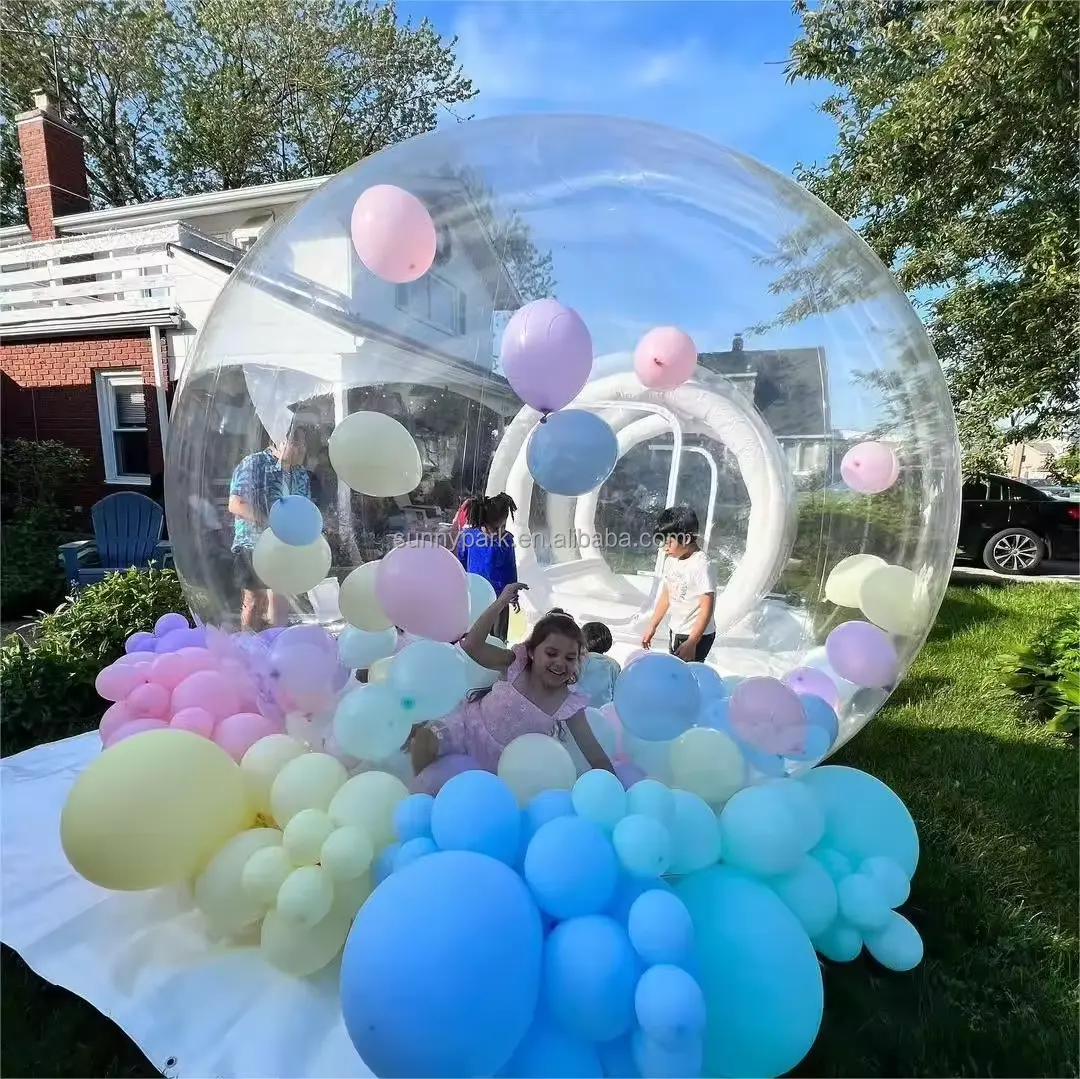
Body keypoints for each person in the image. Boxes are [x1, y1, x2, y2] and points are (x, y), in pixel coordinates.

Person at [409, 585, 615, 776]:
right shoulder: (516, 664)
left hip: (503, 763)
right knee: (424, 741)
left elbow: (594, 752)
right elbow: (472, 645)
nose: (560, 663)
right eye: (551, 654)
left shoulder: (568, 702)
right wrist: (501, 602)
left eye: (570, 658)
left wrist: (615, 785)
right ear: (533, 652)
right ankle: (421, 800)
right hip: (467, 727)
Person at [228, 426, 312, 631]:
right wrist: (270, 521)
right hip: (253, 544)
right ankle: (248, 644)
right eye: (297, 443)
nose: (302, 450)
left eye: (304, 444)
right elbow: (237, 504)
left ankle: (273, 644)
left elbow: (305, 508)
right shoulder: (254, 464)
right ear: (279, 442)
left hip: (285, 545)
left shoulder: (300, 474)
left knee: (281, 598)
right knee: (255, 599)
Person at [641, 505, 717, 663]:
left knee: (686, 674)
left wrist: (692, 641)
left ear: (687, 538)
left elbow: (707, 608)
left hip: (697, 634)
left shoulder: (701, 565)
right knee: (676, 669)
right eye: (662, 542)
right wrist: (652, 625)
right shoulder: (671, 560)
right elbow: (667, 595)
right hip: (677, 628)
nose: (664, 548)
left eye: (669, 542)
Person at [455, 493, 519, 641]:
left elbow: (511, 568)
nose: (500, 531)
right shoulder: (468, 536)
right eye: (496, 528)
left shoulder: (507, 540)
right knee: (473, 637)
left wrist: (513, 594)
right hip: (475, 597)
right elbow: (461, 565)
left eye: (504, 526)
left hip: (499, 600)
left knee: (497, 639)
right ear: (483, 522)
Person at [577, 621, 621, 707]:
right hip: (600, 713)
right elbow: (617, 695)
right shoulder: (613, 665)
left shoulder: (576, 659)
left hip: (574, 712)